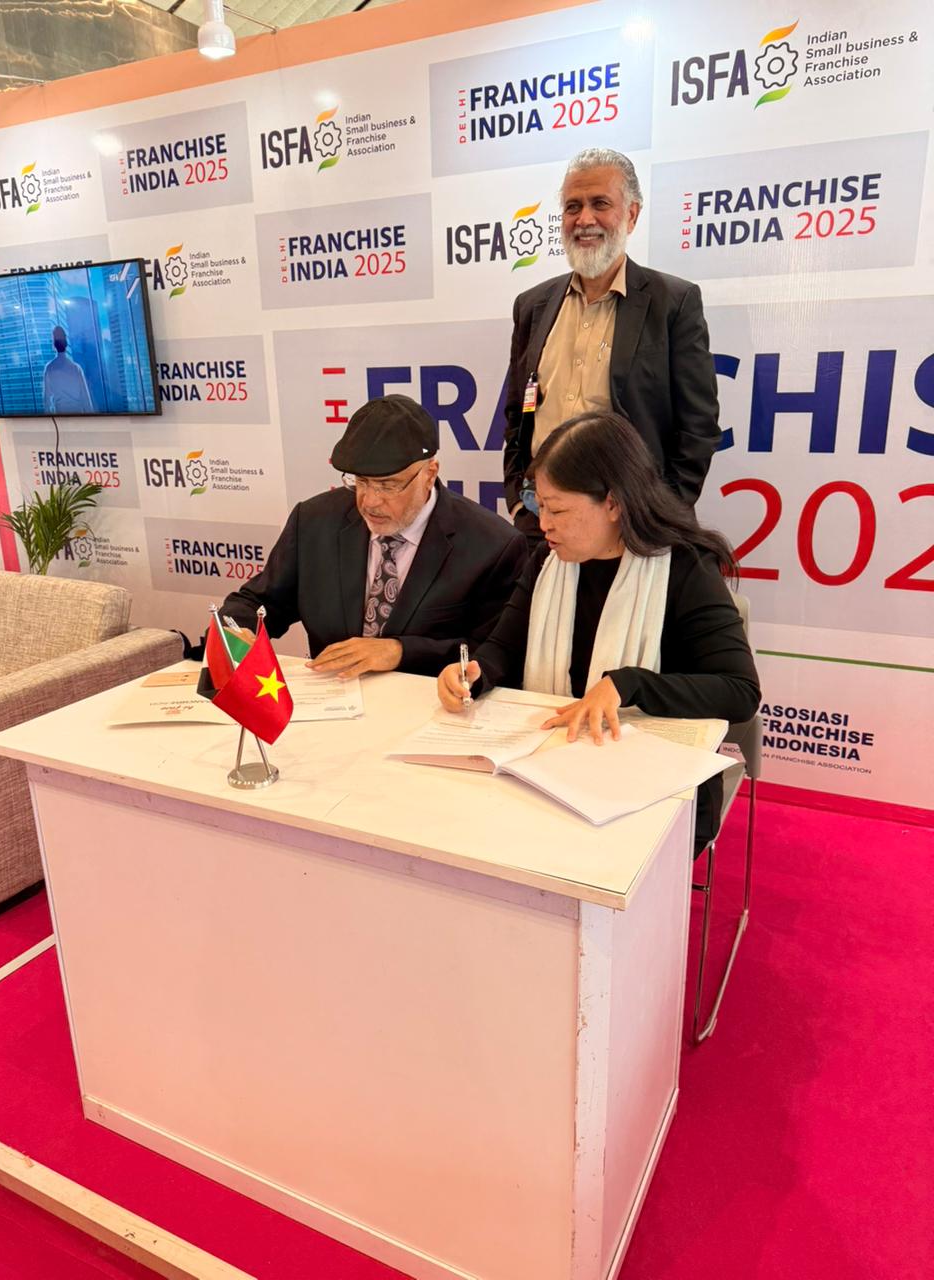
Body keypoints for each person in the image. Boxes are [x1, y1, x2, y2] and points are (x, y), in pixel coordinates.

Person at [440, 412, 760, 852]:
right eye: (539, 505)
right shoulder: (548, 561)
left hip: (655, 788)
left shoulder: (684, 568)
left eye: (558, 510)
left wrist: (628, 685)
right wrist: (476, 673)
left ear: (613, 503)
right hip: (550, 768)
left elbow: (739, 691)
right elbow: (503, 648)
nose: (544, 523)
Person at [222, 394, 528, 679]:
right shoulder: (315, 521)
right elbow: (258, 602)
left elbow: (496, 655)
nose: (369, 501)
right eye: (361, 482)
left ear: (430, 473)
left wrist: (401, 651)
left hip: (432, 708)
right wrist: (237, 632)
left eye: (388, 485)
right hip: (331, 702)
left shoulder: (492, 545)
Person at [504, 147, 721, 548]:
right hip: (541, 523)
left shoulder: (673, 303)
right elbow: (519, 411)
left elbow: (698, 426)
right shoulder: (532, 306)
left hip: (632, 526)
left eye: (600, 204)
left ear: (631, 214)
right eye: (573, 207)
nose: (584, 219)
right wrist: (519, 500)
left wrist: (659, 512)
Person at [42, 325, 94, 414]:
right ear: (66, 343)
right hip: (78, 414)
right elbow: (86, 399)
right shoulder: (76, 368)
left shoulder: (49, 368)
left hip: (60, 416)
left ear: (54, 344)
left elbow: (47, 401)